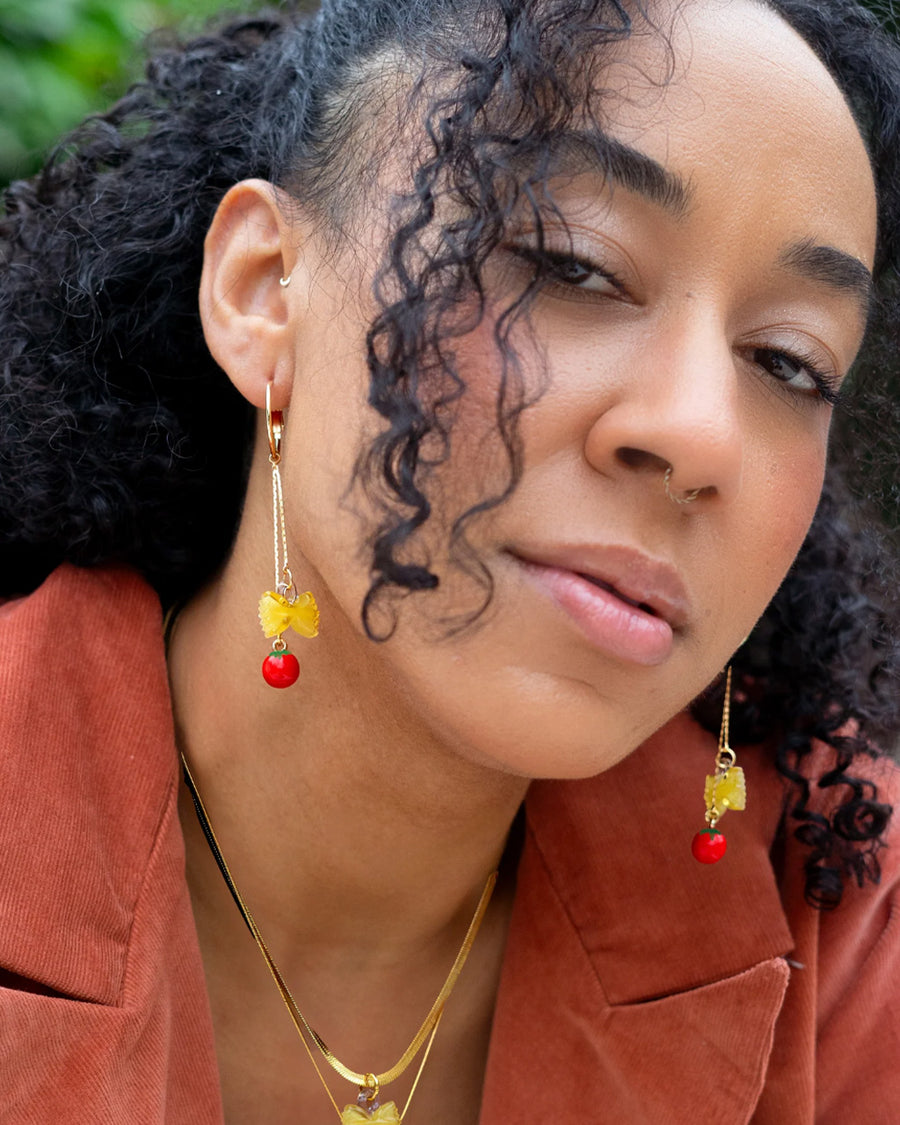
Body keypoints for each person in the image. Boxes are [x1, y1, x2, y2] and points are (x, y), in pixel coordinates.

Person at [1, 0, 899, 1121]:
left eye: (790, 361)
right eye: (574, 263)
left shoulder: (840, 903)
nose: (700, 433)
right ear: (266, 291)